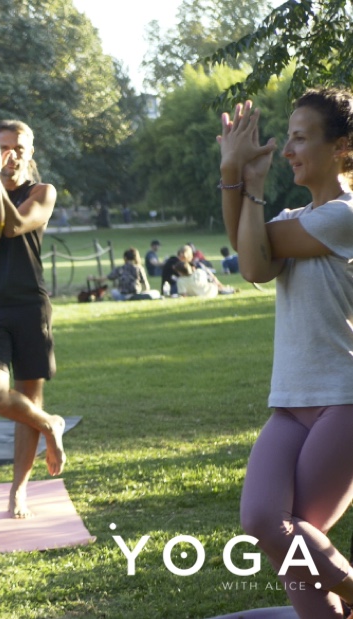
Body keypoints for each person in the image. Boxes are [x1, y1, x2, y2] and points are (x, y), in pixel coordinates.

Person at [219, 88, 353, 618]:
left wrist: (247, 186)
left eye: (301, 138)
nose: (290, 149)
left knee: (295, 539)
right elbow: (251, 257)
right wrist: (235, 173)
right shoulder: (299, 215)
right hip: (291, 400)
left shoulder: (343, 216)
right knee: (265, 525)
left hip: (342, 399)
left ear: (342, 146)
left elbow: (253, 255)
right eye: (289, 137)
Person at [0, 120, 67, 519]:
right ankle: (50, 425)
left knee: (28, 395)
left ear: (31, 151)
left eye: (20, 147)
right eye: (3, 147)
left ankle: (18, 490)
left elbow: (14, 226)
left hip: (29, 306)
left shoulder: (43, 191)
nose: (12, 154)